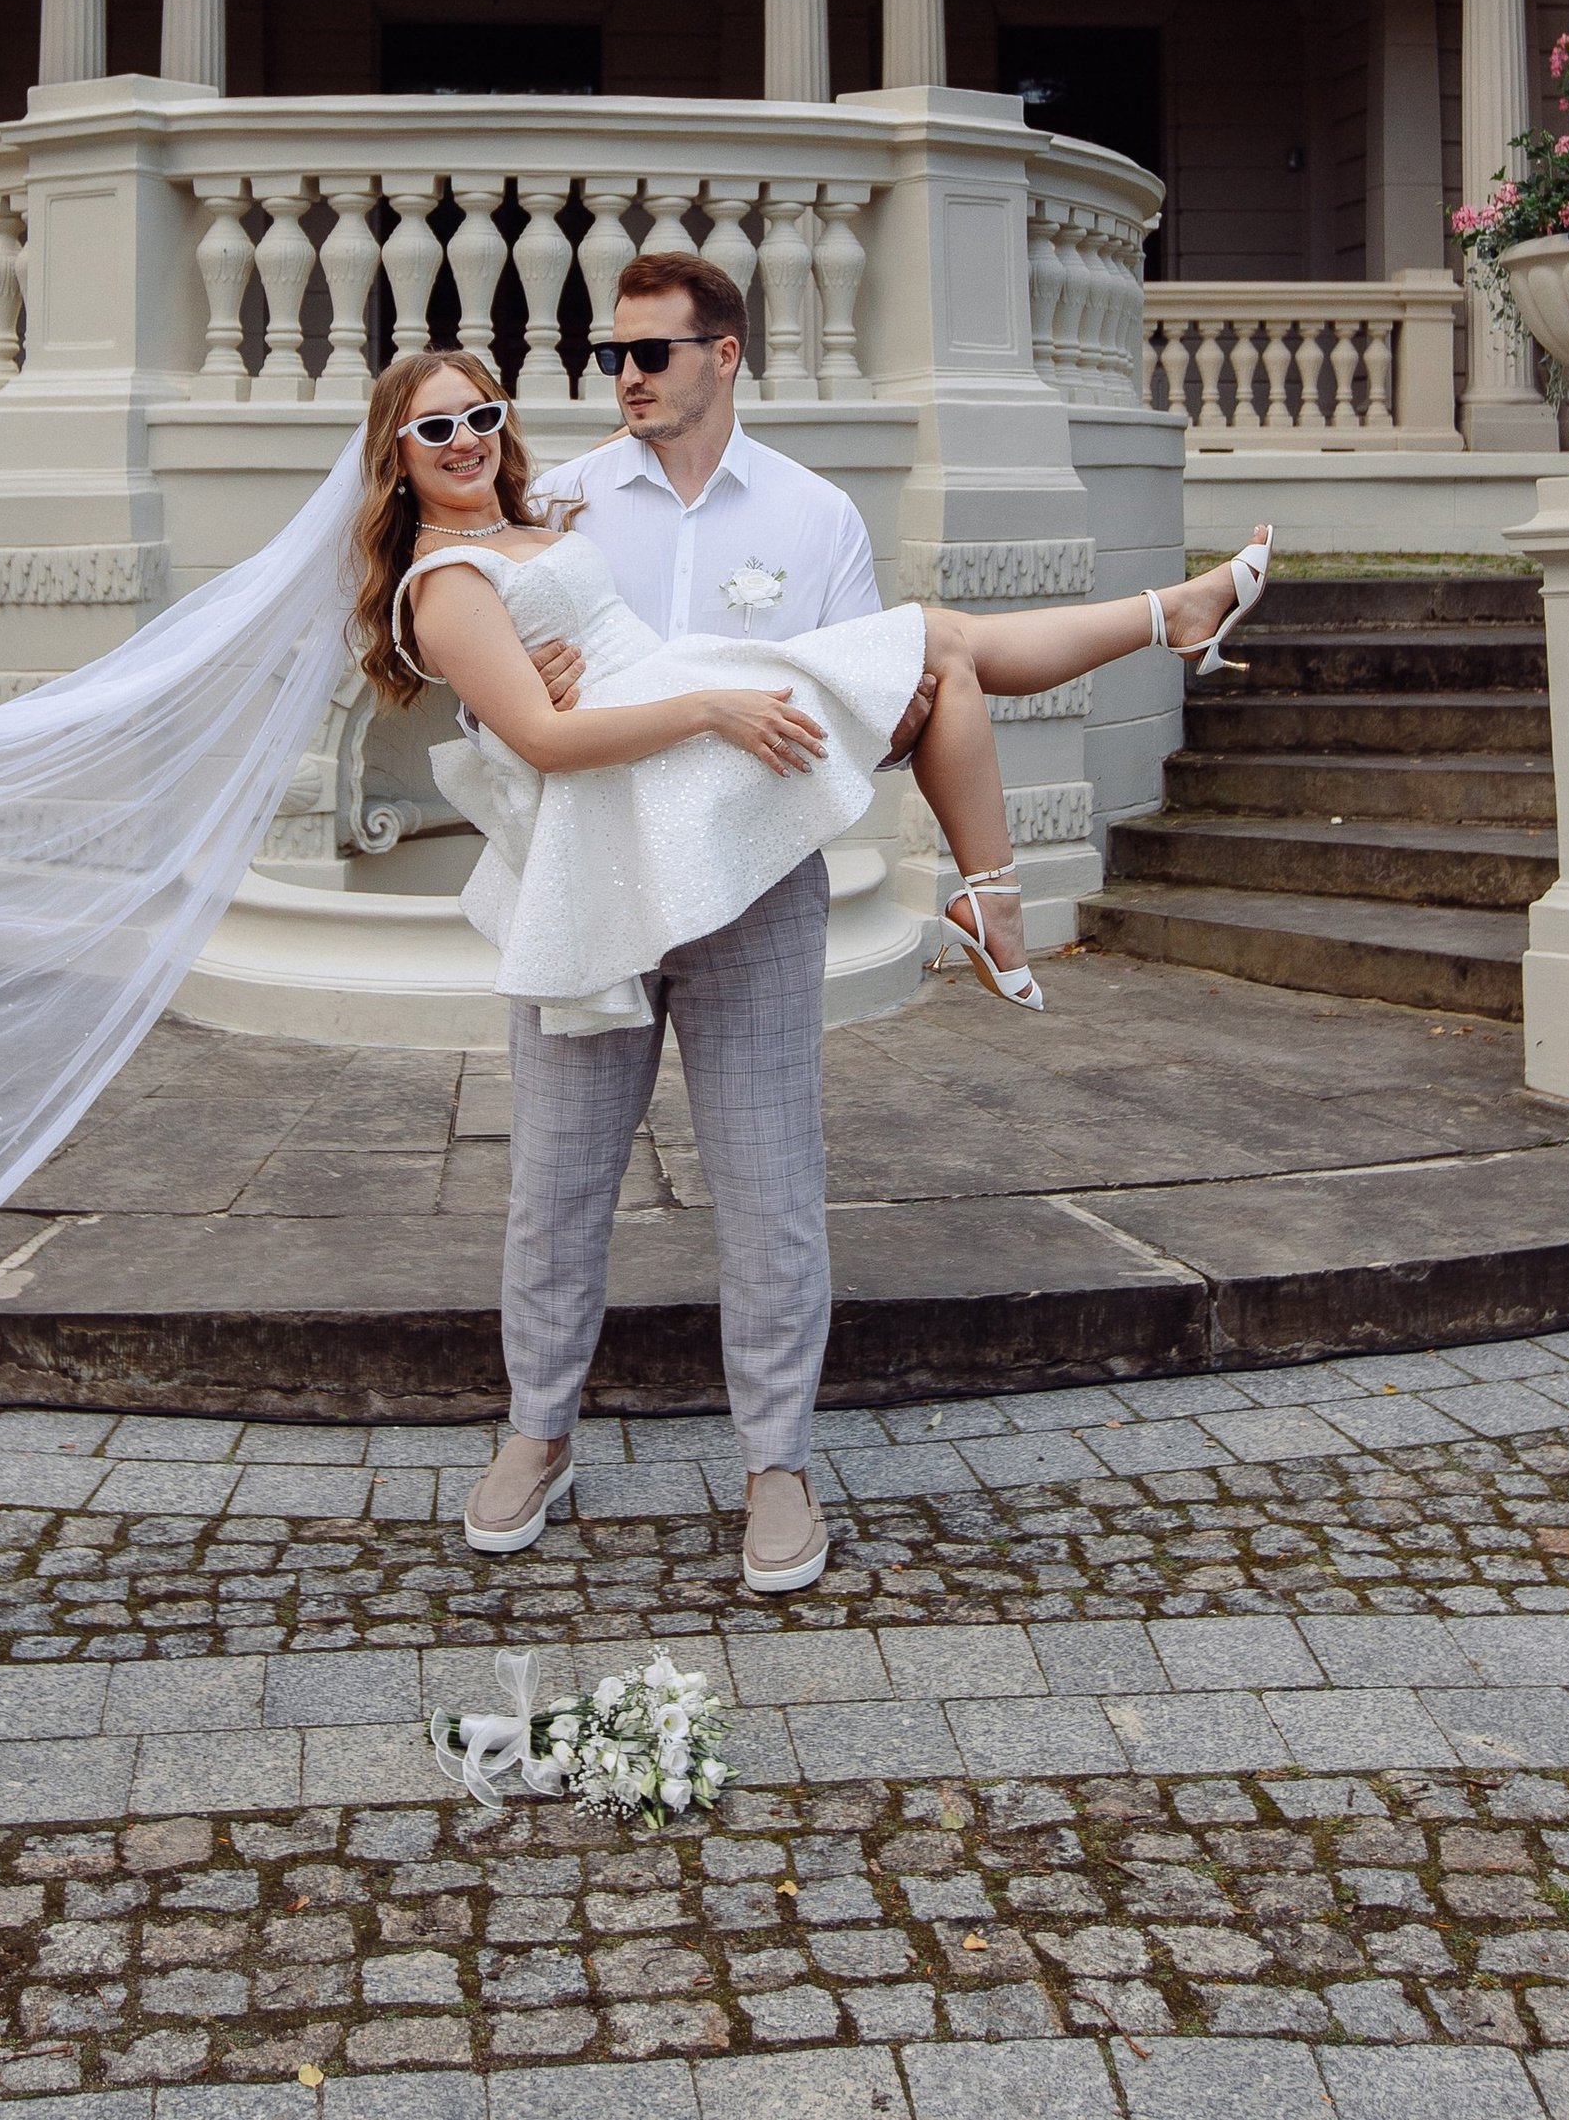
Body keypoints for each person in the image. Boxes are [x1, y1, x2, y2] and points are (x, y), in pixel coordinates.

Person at [352, 327, 1268, 1596]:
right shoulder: (445, 577)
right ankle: (536, 1433)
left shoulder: (577, 510)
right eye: (434, 427)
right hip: (608, 852)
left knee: (773, 1178)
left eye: (483, 413)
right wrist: (697, 707)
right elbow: (538, 739)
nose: (466, 440)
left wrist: (657, 690)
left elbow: (573, 657)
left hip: (722, 827)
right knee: (558, 1188)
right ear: (395, 459)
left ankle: (775, 1462)